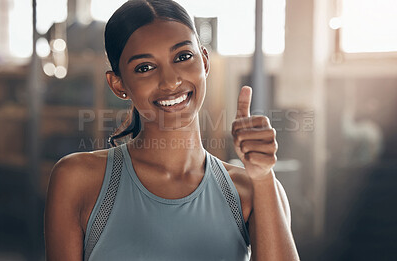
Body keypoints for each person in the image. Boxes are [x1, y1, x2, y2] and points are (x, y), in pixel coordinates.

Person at [44, 0, 299, 260]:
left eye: (183, 57)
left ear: (205, 61)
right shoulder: (77, 180)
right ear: (118, 84)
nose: (171, 81)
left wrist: (263, 177)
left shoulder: (254, 190)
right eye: (145, 67)